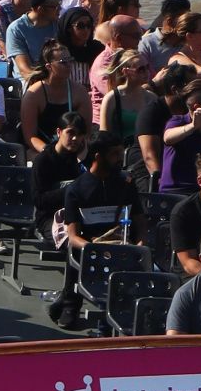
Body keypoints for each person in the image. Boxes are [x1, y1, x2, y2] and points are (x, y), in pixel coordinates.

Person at [47, 132, 142, 330]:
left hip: (123, 246)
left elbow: (140, 220)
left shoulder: (127, 184)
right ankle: (70, 303)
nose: (120, 159)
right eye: (115, 154)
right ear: (98, 156)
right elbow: (73, 236)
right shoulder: (76, 190)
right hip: (91, 249)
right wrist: (95, 248)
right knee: (75, 251)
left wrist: (141, 242)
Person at [19, 43, 79, 156]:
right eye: (63, 62)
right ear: (49, 66)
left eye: (70, 60)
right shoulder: (33, 95)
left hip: (71, 149)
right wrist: (51, 153)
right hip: (42, 151)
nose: (69, 65)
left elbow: (85, 133)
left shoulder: (79, 92)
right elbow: (30, 137)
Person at [3, 0, 61, 81]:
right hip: (30, 83)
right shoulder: (16, 29)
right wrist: (46, 84)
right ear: (40, 9)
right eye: (55, 6)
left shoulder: (57, 25)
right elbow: (25, 71)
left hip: (56, 80)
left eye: (60, 3)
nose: (60, 8)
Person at [135, 0, 192, 74]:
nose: (190, 24)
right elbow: (143, 75)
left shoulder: (189, 43)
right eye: (185, 21)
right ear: (169, 22)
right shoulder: (146, 43)